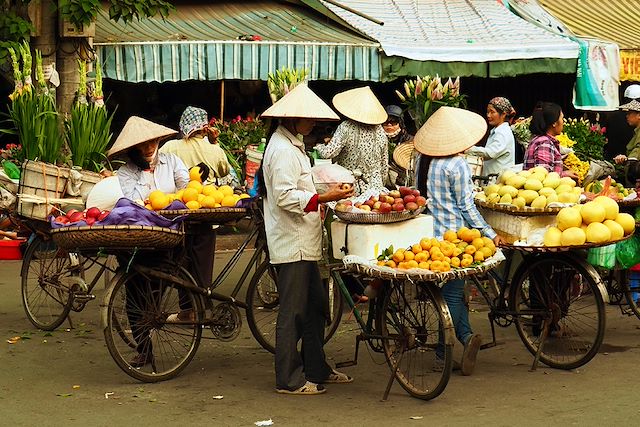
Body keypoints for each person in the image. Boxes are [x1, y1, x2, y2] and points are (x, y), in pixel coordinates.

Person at [259, 84, 355, 395]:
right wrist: (325, 197)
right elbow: (286, 197)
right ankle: (288, 378)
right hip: (292, 242)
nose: (313, 124)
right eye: (308, 118)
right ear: (292, 118)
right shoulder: (283, 150)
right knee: (294, 312)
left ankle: (317, 367)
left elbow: (302, 186)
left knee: (315, 309)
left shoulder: (294, 145)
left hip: (305, 240)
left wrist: (325, 192)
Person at [414, 106, 504, 376]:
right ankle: (452, 347)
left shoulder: (422, 160)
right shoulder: (456, 164)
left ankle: (461, 339)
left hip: (428, 238)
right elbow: (466, 207)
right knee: (453, 293)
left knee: (448, 294)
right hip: (455, 239)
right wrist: (489, 232)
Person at [108, 116, 205, 367]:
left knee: (161, 284)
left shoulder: (171, 162)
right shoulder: (126, 172)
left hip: (170, 235)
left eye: (153, 142)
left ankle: (184, 307)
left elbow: (187, 189)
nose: (150, 147)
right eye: (144, 144)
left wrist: (195, 182)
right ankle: (143, 347)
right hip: (138, 237)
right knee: (134, 290)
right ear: (134, 148)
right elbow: (129, 200)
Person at [314, 86, 389, 195]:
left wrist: (319, 146)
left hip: (351, 187)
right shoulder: (380, 130)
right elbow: (384, 164)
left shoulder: (347, 127)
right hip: (375, 188)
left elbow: (328, 153)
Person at [159, 106, 237, 186]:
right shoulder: (215, 150)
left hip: (178, 195)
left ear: (182, 127)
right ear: (205, 129)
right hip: (208, 195)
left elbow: (155, 165)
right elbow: (224, 172)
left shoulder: (170, 146)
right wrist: (214, 143)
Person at [523, 102, 578, 179]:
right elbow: (542, 176)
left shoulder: (541, 140)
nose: (563, 122)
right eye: (562, 118)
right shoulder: (544, 143)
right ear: (554, 123)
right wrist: (563, 174)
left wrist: (563, 173)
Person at [466, 97, 516, 177]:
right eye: (487, 112)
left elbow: (490, 153)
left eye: (492, 112)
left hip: (498, 180)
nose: (488, 115)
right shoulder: (497, 131)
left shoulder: (503, 133)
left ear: (503, 114)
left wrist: (467, 149)